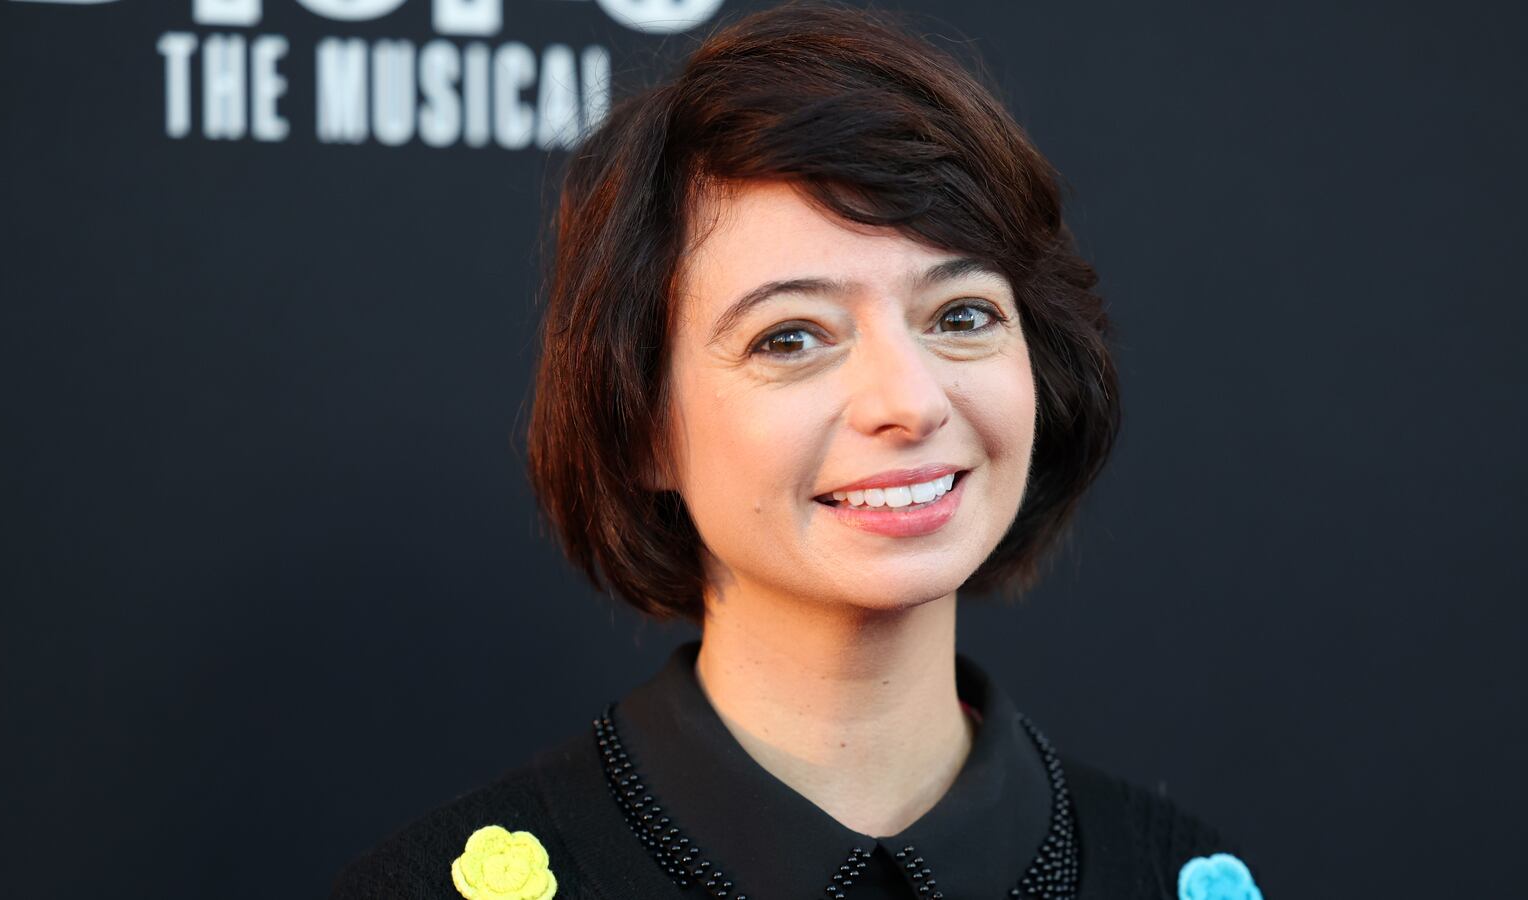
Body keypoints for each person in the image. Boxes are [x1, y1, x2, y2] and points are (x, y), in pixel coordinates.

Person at [331, 3, 1263, 898]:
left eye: (961, 315)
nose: (908, 401)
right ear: (642, 426)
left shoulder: (1168, 875)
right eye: (790, 337)